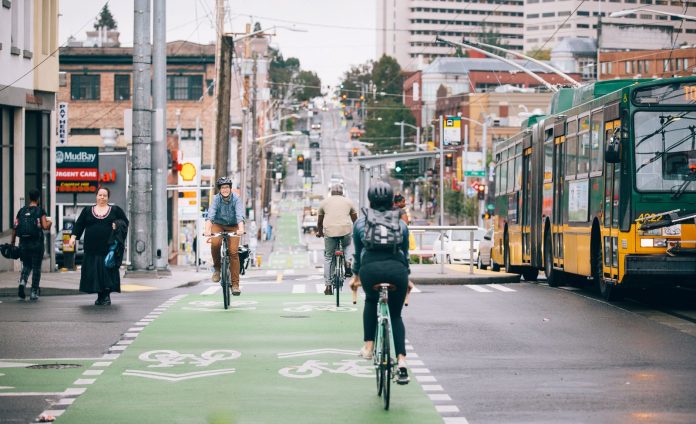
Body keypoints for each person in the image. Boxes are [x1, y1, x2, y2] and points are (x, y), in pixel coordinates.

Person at [351, 181, 410, 385]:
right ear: (391, 199)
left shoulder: (361, 223)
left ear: (370, 200)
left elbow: (358, 256)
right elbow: (406, 254)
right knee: (395, 314)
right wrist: (407, 276)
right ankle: (401, 361)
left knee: (370, 300)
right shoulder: (400, 223)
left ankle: (368, 347)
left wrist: (356, 276)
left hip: (370, 270)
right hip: (397, 271)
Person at [68, 187, 128, 305]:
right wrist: (73, 237)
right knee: (94, 273)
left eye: (104, 195)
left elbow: (125, 222)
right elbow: (79, 224)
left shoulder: (115, 210)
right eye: (100, 195)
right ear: (96, 196)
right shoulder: (87, 210)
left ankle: (106, 295)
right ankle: (100, 295)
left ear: (108, 197)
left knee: (106, 272)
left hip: (108, 248)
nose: (102, 197)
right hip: (91, 248)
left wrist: (117, 224)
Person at [205, 176, 245, 296]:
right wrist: (207, 230)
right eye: (223, 188)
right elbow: (210, 215)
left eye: (227, 187)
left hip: (233, 226)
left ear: (230, 188)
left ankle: (235, 285)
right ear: (220, 189)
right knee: (215, 243)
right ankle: (217, 269)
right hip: (218, 224)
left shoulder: (236, 199)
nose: (225, 190)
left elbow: (239, 215)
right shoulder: (216, 199)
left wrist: (241, 229)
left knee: (233, 252)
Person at [316, 183, 357, 295]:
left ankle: (328, 286)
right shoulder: (348, 201)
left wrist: (320, 232)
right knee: (348, 244)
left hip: (329, 232)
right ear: (342, 192)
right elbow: (355, 220)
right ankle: (348, 262)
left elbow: (319, 222)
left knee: (329, 257)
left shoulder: (324, 202)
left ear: (331, 192)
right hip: (345, 231)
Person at [11, 189, 52, 301]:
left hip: (24, 244)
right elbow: (44, 226)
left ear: (29, 198)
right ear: (38, 198)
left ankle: (23, 282)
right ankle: (34, 292)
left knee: (27, 265)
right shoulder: (40, 211)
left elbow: (15, 228)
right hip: (36, 244)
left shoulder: (21, 211)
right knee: (36, 267)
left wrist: (13, 242)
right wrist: (50, 223)